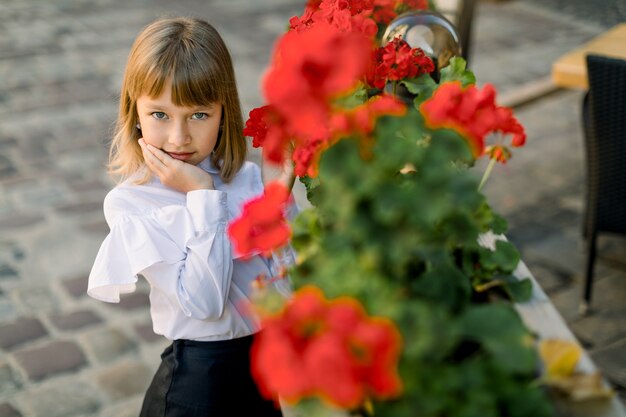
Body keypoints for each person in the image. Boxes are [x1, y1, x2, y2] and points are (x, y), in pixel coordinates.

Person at [87, 16, 295, 417]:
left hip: (261, 380)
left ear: (223, 112)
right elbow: (204, 303)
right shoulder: (132, 204)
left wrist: (279, 199)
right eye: (160, 115)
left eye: (198, 114)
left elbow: (290, 293)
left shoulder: (247, 179)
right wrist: (202, 195)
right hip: (196, 392)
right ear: (134, 112)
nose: (179, 137)